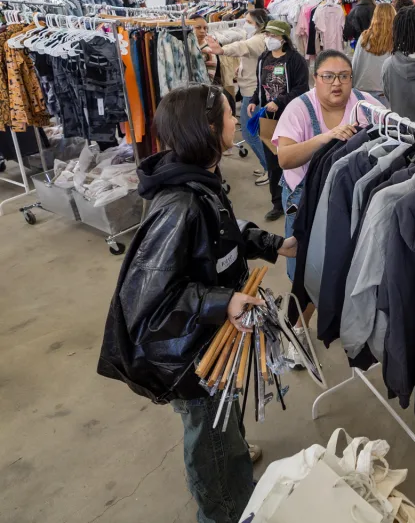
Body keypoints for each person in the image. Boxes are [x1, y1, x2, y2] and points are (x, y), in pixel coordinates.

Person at [98, 84, 297, 523]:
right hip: (191, 360)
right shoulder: (178, 203)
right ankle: (225, 508)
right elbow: (148, 302)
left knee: (224, 427)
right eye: (229, 115)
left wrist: (272, 243)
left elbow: (223, 234)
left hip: (213, 343)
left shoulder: (201, 179)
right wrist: (223, 302)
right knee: (209, 438)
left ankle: (232, 456)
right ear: (208, 128)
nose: (235, 121)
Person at [274, 50, 381, 279]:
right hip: (303, 197)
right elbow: (284, 157)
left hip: (345, 198)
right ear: (315, 79)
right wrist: (324, 138)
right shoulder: (300, 108)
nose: (337, 83)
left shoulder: (366, 105)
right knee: (301, 262)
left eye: (344, 76)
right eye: (328, 76)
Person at [249, 20, 310, 221]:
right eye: (268, 35)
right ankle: (278, 203)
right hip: (269, 118)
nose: (269, 39)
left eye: (274, 36)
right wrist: (253, 100)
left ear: (284, 39)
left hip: (290, 116)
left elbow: (301, 89)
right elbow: (261, 85)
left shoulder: (295, 61)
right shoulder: (263, 58)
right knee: (273, 162)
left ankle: (300, 196)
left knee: (292, 158)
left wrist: (280, 101)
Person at [204, 8, 270, 181]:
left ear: (258, 23)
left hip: (253, 92)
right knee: (260, 131)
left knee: (249, 133)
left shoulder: (258, 39)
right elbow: (250, 58)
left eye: (248, 22)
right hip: (254, 88)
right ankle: (269, 167)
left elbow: (242, 47)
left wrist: (221, 50)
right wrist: (239, 69)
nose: (245, 25)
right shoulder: (260, 37)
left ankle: (270, 169)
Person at [352, 2, 396, 102]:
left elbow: (355, 63)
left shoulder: (364, 37)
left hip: (362, 91)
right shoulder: (395, 39)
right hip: (384, 92)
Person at [191, 16, 218, 82]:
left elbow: (209, 80)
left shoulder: (208, 51)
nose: (203, 31)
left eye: (205, 28)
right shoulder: (187, 45)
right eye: (198, 27)